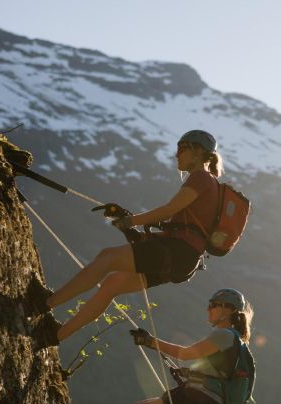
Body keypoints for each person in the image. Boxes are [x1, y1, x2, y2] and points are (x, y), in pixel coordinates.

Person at [34, 130, 224, 345]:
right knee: (113, 284)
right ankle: (54, 336)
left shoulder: (201, 178)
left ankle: (44, 303)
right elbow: (180, 229)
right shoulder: (211, 184)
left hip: (178, 250)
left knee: (108, 258)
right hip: (184, 260)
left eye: (182, 148)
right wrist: (130, 224)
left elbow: (170, 210)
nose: (176, 154)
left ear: (198, 151)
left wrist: (131, 222)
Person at [60, 288, 254, 404]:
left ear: (228, 309)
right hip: (204, 402)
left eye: (213, 305)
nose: (208, 309)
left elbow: (186, 353)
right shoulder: (235, 340)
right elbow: (217, 373)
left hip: (201, 400)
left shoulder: (225, 335)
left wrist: (150, 341)